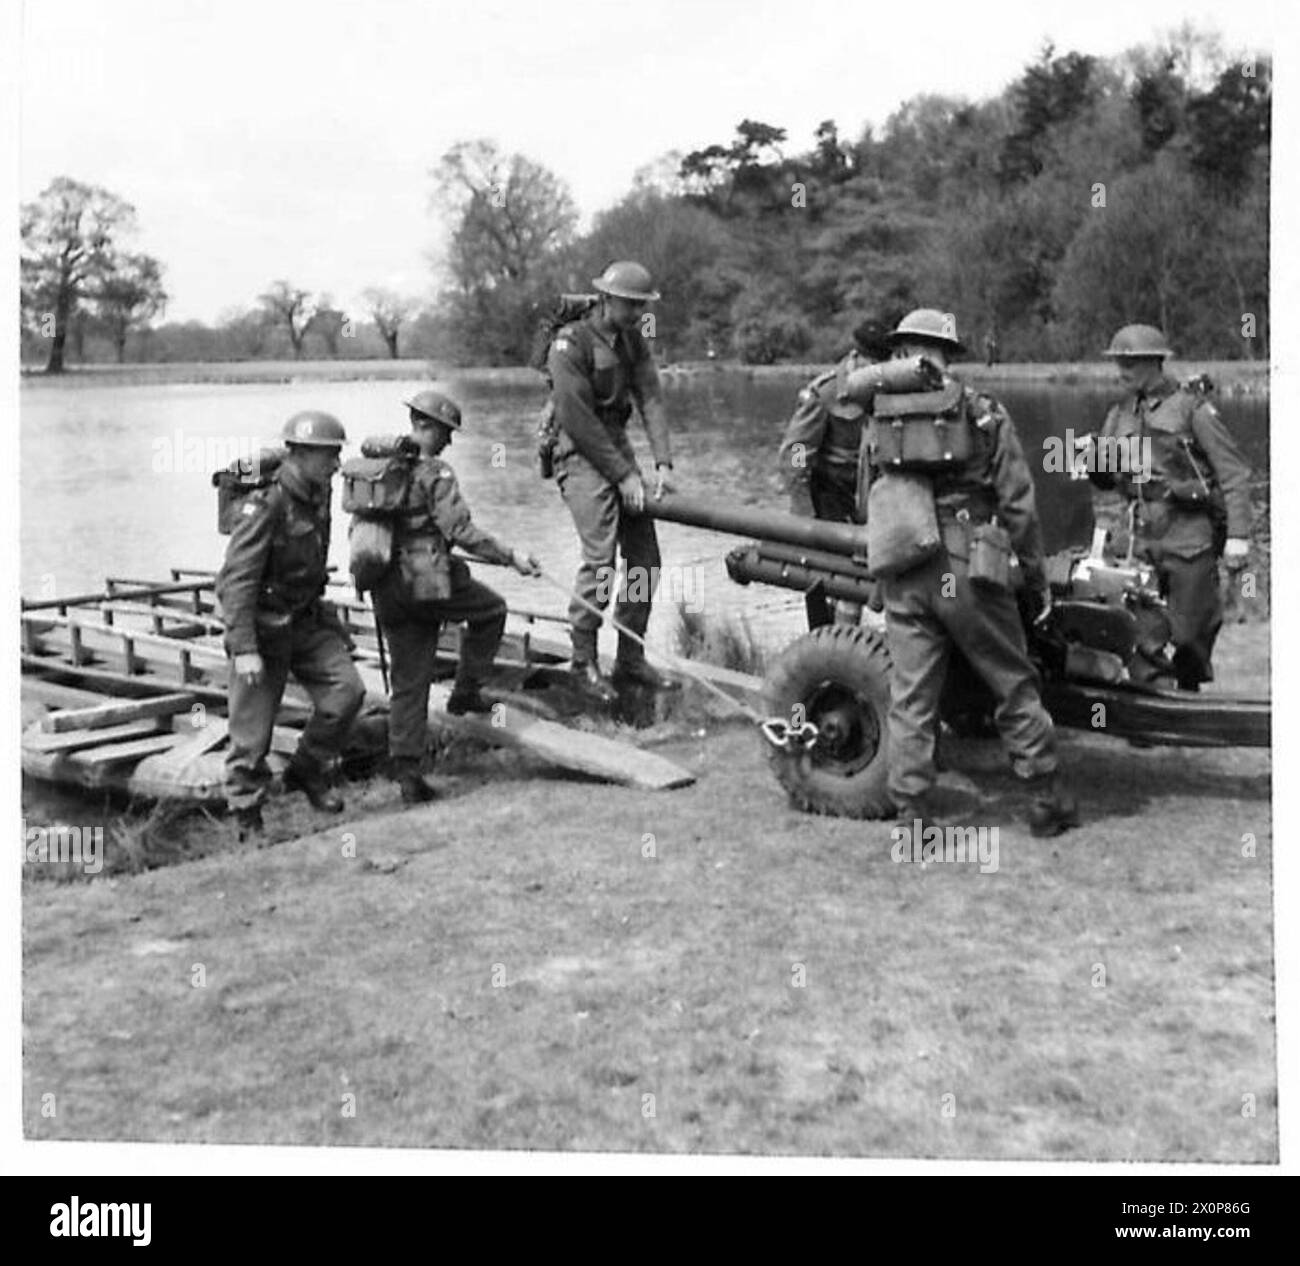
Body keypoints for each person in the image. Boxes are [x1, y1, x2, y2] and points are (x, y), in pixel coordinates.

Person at [863, 309, 1077, 837]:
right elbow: (1019, 505)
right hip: (968, 565)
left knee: (912, 695)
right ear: (948, 354)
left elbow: (871, 500)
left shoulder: (882, 414)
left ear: (901, 352)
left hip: (905, 568)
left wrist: (877, 579)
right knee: (1012, 681)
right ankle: (1045, 800)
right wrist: (1035, 577)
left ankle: (912, 812)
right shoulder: (983, 411)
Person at [372, 390, 541, 804]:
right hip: (425, 580)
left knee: (409, 680)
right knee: (492, 609)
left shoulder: (382, 469)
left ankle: (407, 773)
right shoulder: (437, 473)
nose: (449, 441)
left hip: (385, 584)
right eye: (446, 431)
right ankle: (466, 692)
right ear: (426, 425)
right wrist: (511, 557)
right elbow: (461, 531)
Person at [216, 411, 366, 838]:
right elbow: (237, 582)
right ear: (298, 454)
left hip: (304, 619)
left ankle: (307, 768)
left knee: (347, 692)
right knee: (251, 735)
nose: (336, 465)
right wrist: (243, 648)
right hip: (261, 629)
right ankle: (247, 817)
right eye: (329, 456)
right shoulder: (266, 504)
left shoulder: (318, 495)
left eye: (337, 456)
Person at [1081, 324, 1253, 691]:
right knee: (1141, 628)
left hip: (1189, 536)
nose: (1122, 371)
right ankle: (1151, 697)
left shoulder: (1192, 409)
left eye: (1131, 363)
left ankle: (1188, 685)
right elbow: (1107, 480)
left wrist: (1239, 536)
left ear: (1154, 362)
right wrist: (1095, 458)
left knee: (1191, 632)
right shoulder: (1118, 414)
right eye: (1118, 362)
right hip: (1139, 537)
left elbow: (1233, 474)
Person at [546, 260, 678, 703]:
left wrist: (662, 463)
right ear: (606, 298)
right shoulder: (571, 343)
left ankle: (630, 657)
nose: (638, 312)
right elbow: (575, 416)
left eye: (642, 305)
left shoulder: (634, 342)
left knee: (644, 562)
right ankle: (583, 660)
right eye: (630, 304)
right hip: (578, 450)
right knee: (601, 564)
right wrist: (622, 476)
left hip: (617, 446)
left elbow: (651, 397)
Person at [777, 318, 892, 623]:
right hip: (831, 499)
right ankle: (830, 646)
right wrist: (805, 515)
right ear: (858, 358)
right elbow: (796, 453)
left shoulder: (892, 389)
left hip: (875, 499)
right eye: (873, 362)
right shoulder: (826, 393)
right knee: (835, 584)